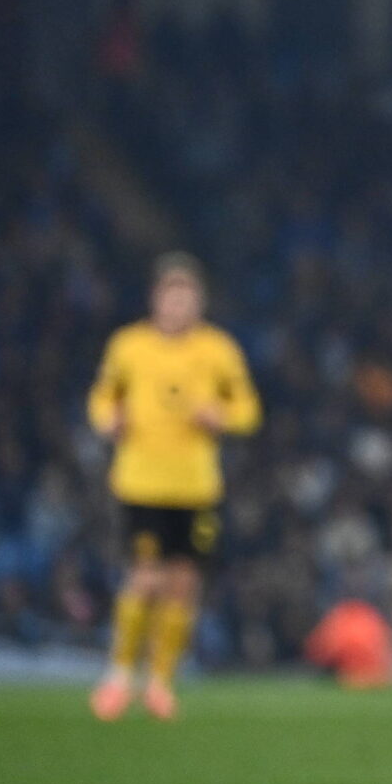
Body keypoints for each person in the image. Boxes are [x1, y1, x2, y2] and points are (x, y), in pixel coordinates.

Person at [86, 253, 261, 721]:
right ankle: (119, 675)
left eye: (187, 295)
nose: (179, 303)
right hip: (141, 481)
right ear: (156, 299)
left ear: (199, 301)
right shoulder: (128, 346)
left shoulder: (218, 350)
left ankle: (161, 682)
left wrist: (220, 417)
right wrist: (109, 419)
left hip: (196, 486)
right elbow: (103, 396)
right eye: (171, 294)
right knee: (145, 576)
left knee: (183, 584)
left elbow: (248, 409)